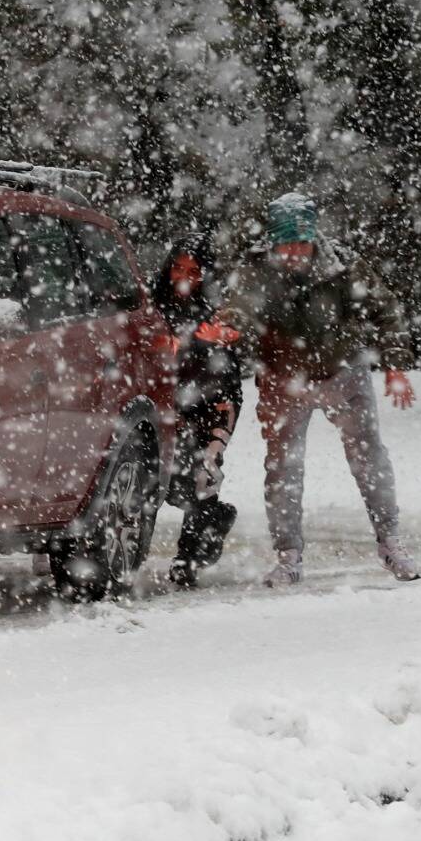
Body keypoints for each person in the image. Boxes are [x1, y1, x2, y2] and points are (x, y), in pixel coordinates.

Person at [206, 192, 421, 586]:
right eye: (286, 244)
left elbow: (386, 309)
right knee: (283, 467)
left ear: (312, 239)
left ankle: (390, 541)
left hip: (343, 373)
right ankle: (288, 555)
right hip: (283, 379)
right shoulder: (257, 269)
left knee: (368, 457)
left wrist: (395, 365)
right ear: (273, 242)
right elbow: (242, 304)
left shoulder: (341, 265)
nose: (294, 252)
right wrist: (230, 325)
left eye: (301, 243)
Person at [151, 234, 242, 589]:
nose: (184, 276)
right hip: (153, 412)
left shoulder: (215, 320)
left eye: (194, 270)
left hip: (199, 416)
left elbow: (229, 387)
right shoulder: (148, 309)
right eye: (178, 267)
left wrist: (218, 439)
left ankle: (188, 558)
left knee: (200, 482)